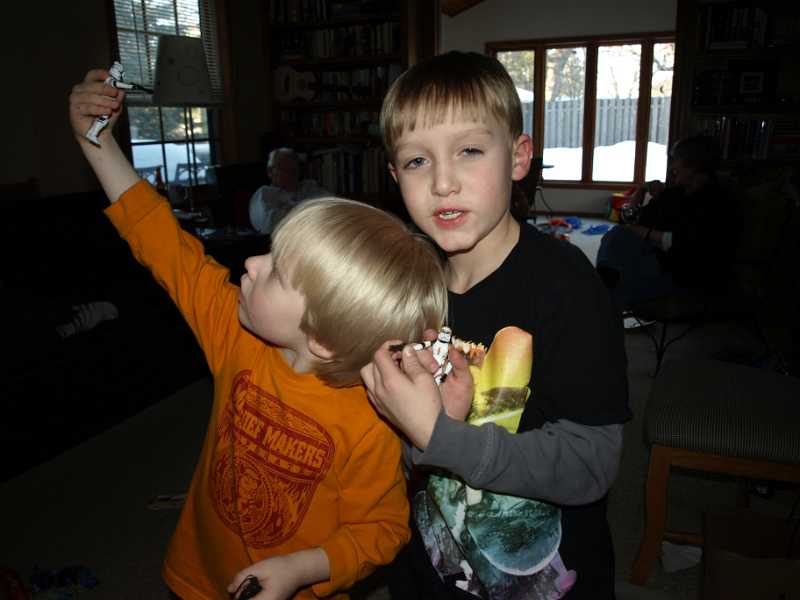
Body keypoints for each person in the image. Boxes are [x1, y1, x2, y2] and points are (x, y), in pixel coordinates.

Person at [68, 68, 450, 600]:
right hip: (197, 576)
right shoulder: (234, 330)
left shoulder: (373, 418)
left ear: (322, 339)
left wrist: (304, 568)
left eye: (275, 271)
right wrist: (98, 142)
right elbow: (162, 242)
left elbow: (382, 530)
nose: (251, 262)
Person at [360, 51, 631, 599]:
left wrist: (442, 437)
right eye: (417, 161)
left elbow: (591, 462)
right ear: (394, 176)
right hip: (431, 568)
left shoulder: (567, 286)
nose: (442, 183)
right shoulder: (405, 288)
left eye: (469, 151)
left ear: (518, 157)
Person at [596, 135, 735, 315]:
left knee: (619, 283)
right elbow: (629, 221)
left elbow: (687, 245)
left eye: (676, 160)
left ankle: (603, 299)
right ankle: (602, 290)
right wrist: (640, 192)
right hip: (660, 258)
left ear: (693, 165)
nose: (671, 167)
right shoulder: (674, 194)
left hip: (685, 272)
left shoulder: (716, 202)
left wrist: (645, 233)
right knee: (617, 235)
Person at [248, 147, 329, 235]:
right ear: (270, 172)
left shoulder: (308, 186)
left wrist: (290, 209)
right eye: (284, 170)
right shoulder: (264, 193)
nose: (290, 174)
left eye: (294, 170)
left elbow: (331, 206)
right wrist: (309, 207)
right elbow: (268, 225)